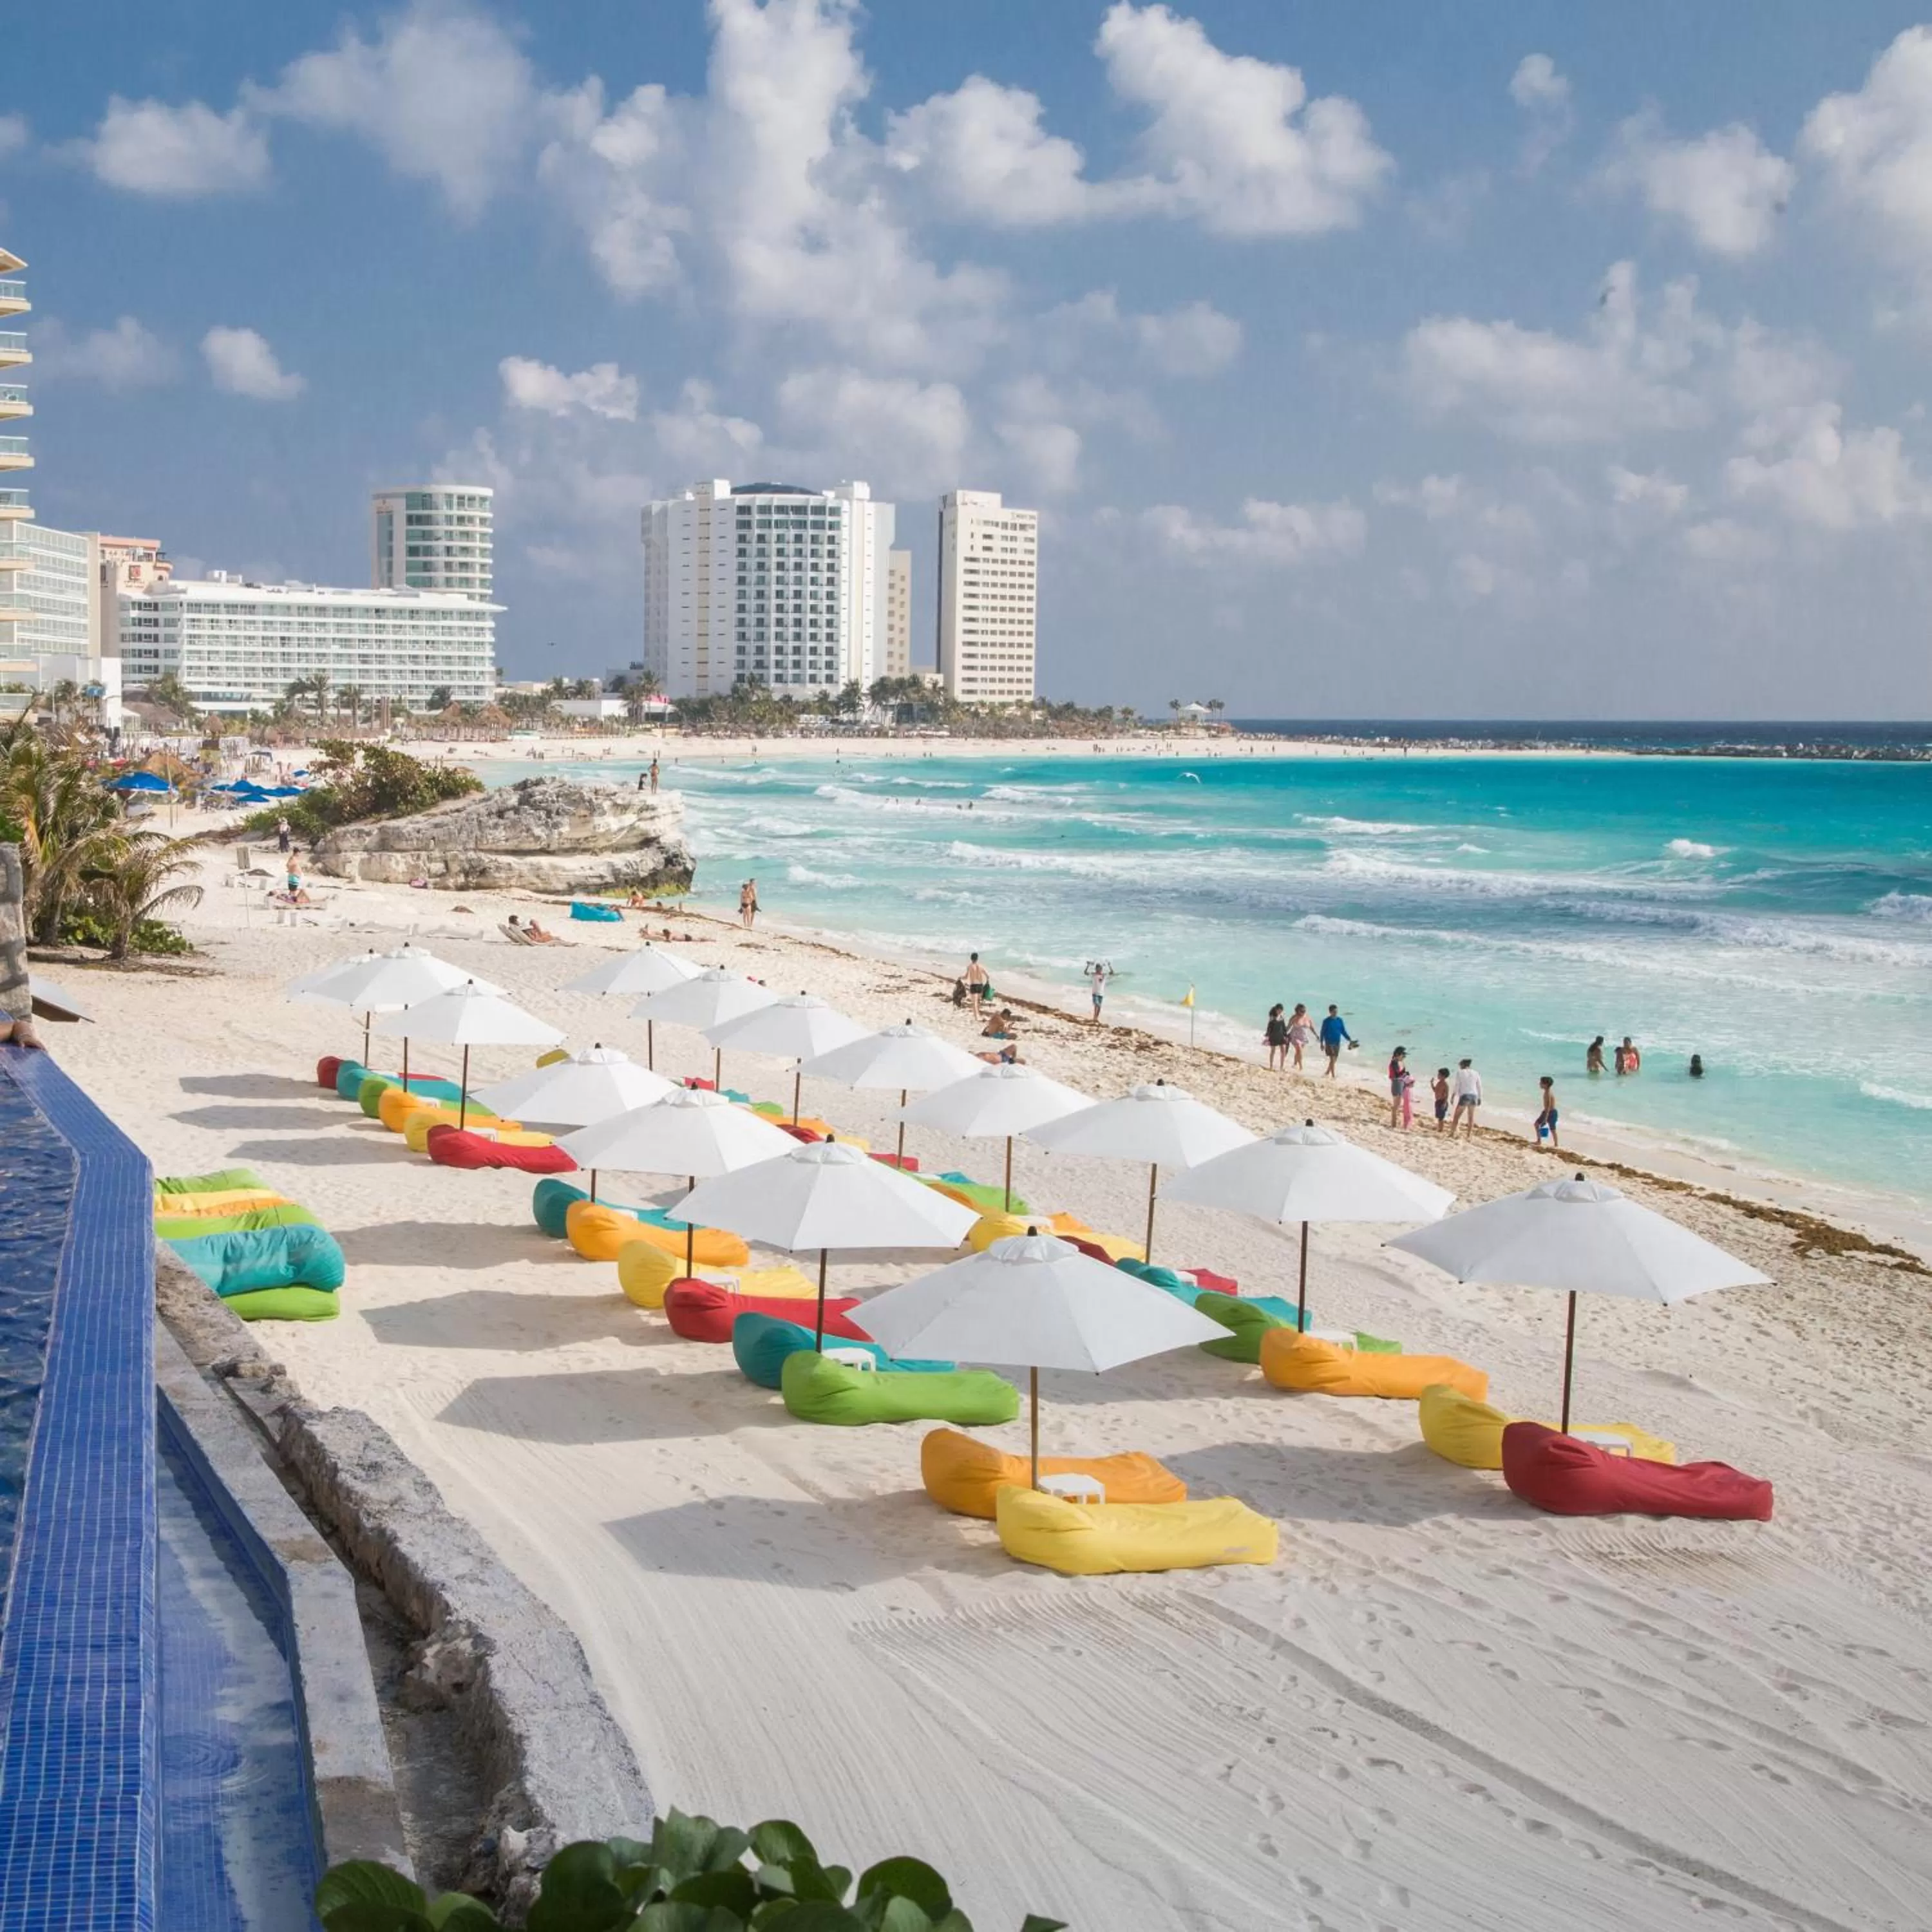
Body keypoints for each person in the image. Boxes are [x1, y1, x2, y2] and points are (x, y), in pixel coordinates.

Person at [1318, 1004, 1353, 1078]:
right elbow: (1322, 1032)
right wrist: (1321, 1043)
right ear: (1330, 1012)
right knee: (1332, 1058)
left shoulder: (1340, 1020)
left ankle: (1327, 1072)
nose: (1336, 1013)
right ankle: (1333, 1076)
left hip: (1337, 1042)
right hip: (1329, 1042)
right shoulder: (1326, 1021)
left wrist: (1349, 1039)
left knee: (1335, 1059)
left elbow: (1343, 1031)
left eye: (1336, 1011)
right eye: (1334, 1012)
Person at [1450, 1057, 1482, 1138]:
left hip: (1465, 1096)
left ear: (1463, 1065)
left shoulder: (1460, 1073)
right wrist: (1480, 1098)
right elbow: (1479, 1086)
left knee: (1457, 1116)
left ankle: (1452, 1133)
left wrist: (1453, 1096)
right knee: (1471, 1117)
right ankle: (1469, 1135)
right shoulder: (1476, 1073)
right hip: (1474, 1096)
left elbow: (1457, 1085)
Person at [1387, 1046, 1414, 1129]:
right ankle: (1393, 1124)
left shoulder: (1395, 1062)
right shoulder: (1394, 1063)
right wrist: (1404, 1073)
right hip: (1396, 1084)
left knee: (1397, 1105)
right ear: (1398, 1055)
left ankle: (1394, 1123)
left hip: (1398, 1083)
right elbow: (1397, 1075)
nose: (1404, 1058)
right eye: (1403, 1056)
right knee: (1396, 1105)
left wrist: (1404, 1074)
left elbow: (1398, 1075)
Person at [1285, 1003, 1315, 1072]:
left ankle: (1295, 1064)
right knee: (1299, 1049)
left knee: (1298, 1052)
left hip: (1304, 1037)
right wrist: (1283, 1034)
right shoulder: (1294, 1018)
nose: (1303, 1012)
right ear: (1298, 1011)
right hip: (1295, 1036)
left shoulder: (1308, 1018)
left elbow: (1311, 1027)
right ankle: (1301, 1067)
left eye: (1304, 1011)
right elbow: (1288, 1027)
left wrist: (1316, 1035)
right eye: (1301, 1011)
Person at [1535, 1075, 1560, 1150]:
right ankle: (1556, 1144)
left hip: (1549, 1112)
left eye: (1541, 1083)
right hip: (1552, 1112)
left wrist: (1546, 1118)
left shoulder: (1548, 1093)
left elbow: (1548, 1107)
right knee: (1552, 1129)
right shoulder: (1548, 1092)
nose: (1539, 1084)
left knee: (1537, 1124)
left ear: (1546, 1085)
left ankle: (1539, 1141)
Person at [964, 951, 990, 1018]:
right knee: (978, 1001)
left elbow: (966, 977)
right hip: (980, 986)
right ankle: (978, 1014)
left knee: (974, 1003)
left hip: (974, 986)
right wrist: (987, 982)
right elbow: (988, 976)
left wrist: (960, 978)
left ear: (971, 959)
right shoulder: (981, 967)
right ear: (977, 959)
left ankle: (977, 1017)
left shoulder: (969, 967)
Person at [1085, 961, 1112, 1025]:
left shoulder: (1104, 975)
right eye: (1098, 969)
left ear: (1101, 969)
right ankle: (1095, 1018)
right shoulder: (1094, 975)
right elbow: (1085, 973)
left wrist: (1109, 966)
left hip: (1101, 994)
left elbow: (1112, 973)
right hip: (1095, 993)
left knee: (1099, 1007)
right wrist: (1088, 966)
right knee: (1097, 1005)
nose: (1099, 970)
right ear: (1096, 969)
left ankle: (1096, 1019)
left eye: (1100, 969)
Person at [1264, 1003, 1289, 1071]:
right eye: (1279, 1011)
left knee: (1283, 1050)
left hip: (1281, 1036)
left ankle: (1282, 1067)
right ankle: (1271, 1066)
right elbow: (1269, 1028)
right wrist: (1267, 1036)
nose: (1280, 1012)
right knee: (1273, 1051)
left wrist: (1286, 1035)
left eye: (1281, 1011)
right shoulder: (1272, 1018)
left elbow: (1284, 1028)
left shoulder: (1282, 1017)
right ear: (1276, 1010)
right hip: (1273, 1036)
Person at [1431, 1066, 1452, 1132]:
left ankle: (1441, 1129)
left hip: (1442, 1102)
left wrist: (1445, 1103)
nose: (1438, 1076)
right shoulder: (1439, 1083)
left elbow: (1447, 1095)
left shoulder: (1445, 1085)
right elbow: (1435, 1090)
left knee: (1441, 1118)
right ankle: (1439, 1128)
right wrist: (1432, 1084)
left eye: (1439, 1075)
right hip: (1438, 1101)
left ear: (1443, 1076)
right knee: (1439, 1116)